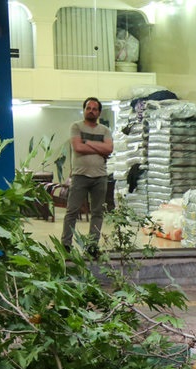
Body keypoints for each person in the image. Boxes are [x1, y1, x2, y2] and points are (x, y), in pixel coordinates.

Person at [62, 97, 113, 256]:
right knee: (72, 211)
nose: (91, 111)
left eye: (95, 109)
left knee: (97, 213)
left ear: (99, 112)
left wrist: (88, 143)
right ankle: (66, 246)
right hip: (80, 176)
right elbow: (78, 147)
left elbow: (109, 149)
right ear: (84, 110)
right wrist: (99, 148)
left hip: (100, 177)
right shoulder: (76, 127)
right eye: (88, 108)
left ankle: (92, 247)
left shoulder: (105, 130)